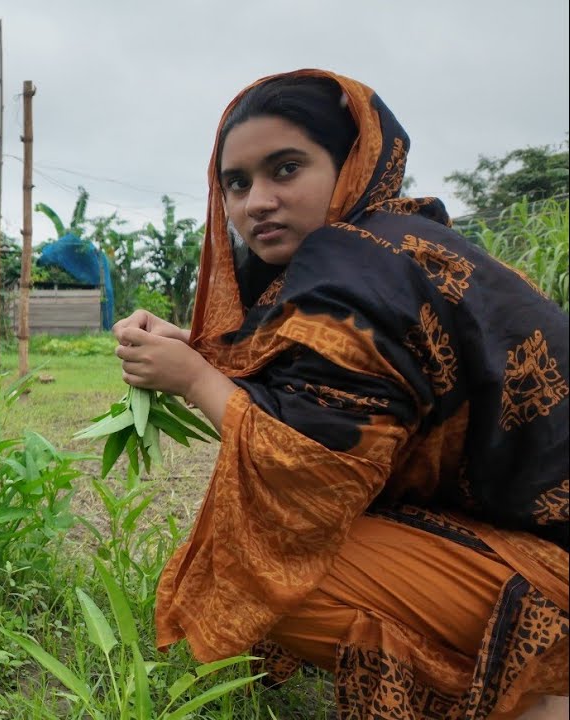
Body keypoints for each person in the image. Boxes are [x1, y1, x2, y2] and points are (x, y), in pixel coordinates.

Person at [113, 69, 567, 718]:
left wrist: (191, 378)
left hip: (553, 557)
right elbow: (317, 377)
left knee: (266, 569)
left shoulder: (356, 267)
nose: (256, 202)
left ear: (353, 163)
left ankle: (543, 690)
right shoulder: (389, 244)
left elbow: (312, 466)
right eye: (236, 184)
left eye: (286, 169)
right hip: (526, 529)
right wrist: (196, 349)